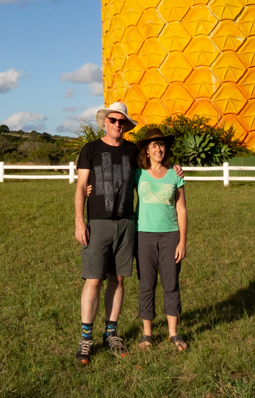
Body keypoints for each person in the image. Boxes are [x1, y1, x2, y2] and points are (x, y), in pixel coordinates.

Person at [73, 102, 182, 365]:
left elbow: (152, 167)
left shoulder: (133, 150)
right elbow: (81, 187)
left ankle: (111, 333)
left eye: (122, 122)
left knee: (118, 279)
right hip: (98, 222)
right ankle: (86, 337)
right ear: (105, 121)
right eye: (113, 120)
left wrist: (176, 168)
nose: (117, 125)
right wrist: (79, 221)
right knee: (93, 279)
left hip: (127, 223)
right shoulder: (90, 149)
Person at [133, 128, 188, 351]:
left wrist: (182, 241)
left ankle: (173, 333)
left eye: (161, 144)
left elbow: (182, 210)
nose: (158, 148)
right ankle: (147, 334)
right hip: (143, 235)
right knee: (146, 284)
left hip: (170, 235)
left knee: (171, 283)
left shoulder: (176, 175)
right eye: (153, 145)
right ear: (146, 150)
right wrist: (90, 189)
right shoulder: (138, 174)